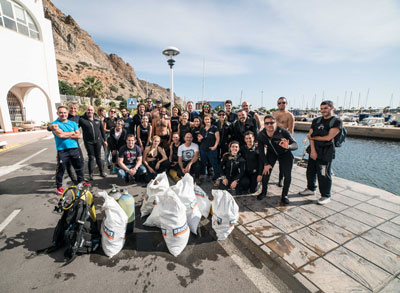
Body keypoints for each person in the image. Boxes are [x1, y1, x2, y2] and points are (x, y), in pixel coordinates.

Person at [299, 100, 343, 205]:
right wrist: (313, 151)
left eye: (325, 108)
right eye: (321, 108)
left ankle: (326, 195)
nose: (323, 111)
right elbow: (310, 136)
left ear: (332, 108)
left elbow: (328, 137)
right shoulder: (316, 120)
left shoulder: (336, 121)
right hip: (314, 150)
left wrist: (314, 136)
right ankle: (311, 189)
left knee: (323, 174)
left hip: (326, 152)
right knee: (310, 171)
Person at [257, 115, 298, 204]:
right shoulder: (261, 134)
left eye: (272, 122)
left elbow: (296, 145)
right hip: (272, 153)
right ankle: (263, 192)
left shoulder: (283, 132)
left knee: (287, 175)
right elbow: (261, 151)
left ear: (276, 123)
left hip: (285, 153)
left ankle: (284, 195)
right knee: (266, 172)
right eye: (267, 123)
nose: (269, 125)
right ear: (264, 125)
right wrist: (266, 163)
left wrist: (289, 146)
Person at [50, 106, 84, 195]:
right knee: (61, 169)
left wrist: (65, 133)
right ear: (57, 113)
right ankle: (59, 187)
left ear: (67, 113)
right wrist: (72, 133)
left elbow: (79, 135)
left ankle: (81, 182)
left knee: (78, 167)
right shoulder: (54, 124)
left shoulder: (73, 123)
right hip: (62, 150)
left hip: (74, 148)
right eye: (61, 113)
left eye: (64, 112)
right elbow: (60, 136)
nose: (63, 114)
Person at [79, 105, 108, 180]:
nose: (89, 111)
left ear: (93, 111)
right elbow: (75, 127)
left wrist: (105, 140)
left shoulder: (97, 119)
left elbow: (102, 131)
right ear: (86, 110)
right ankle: (90, 174)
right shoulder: (82, 119)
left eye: (91, 110)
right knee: (91, 157)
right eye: (88, 110)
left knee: (98, 157)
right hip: (88, 142)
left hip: (98, 141)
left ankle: (101, 172)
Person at [198, 115, 220, 185]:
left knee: (214, 163)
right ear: (203, 120)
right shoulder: (202, 129)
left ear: (210, 120)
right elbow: (199, 139)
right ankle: (202, 175)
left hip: (212, 149)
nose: (207, 121)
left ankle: (217, 177)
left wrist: (215, 146)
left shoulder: (214, 128)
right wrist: (199, 139)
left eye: (208, 119)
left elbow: (217, 138)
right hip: (203, 148)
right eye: (205, 119)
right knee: (203, 162)